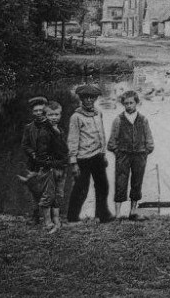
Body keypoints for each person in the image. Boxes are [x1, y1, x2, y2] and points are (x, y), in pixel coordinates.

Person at [66, 84, 113, 224]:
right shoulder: (76, 117)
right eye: (86, 98)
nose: (89, 101)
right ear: (81, 99)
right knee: (81, 188)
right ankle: (72, 217)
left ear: (96, 98)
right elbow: (73, 139)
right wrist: (73, 162)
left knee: (103, 186)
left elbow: (102, 135)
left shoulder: (98, 113)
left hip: (97, 156)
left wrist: (103, 153)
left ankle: (102, 214)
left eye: (92, 98)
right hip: (83, 158)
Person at [21, 96, 69, 233]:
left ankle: (54, 219)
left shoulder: (54, 128)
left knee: (54, 193)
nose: (38, 113)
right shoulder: (30, 128)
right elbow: (25, 145)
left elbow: (61, 148)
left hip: (51, 164)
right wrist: (33, 154)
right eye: (35, 110)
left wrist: (61, 162)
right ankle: (38, 217)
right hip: (38, 163)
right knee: (38, 191)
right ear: (32, 112)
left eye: (40, 110)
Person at [108, 91, 154, 221]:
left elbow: (149, 139)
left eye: (131, 103)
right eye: (126, 103)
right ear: (123, 104)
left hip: (139, 155)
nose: (129, 106)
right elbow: (112, 142)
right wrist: (118, 152)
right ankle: (117, 213)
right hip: (123, 155)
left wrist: (146, 151)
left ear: (136, 103)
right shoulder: (118, 120)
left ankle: (133, 211)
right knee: (120, 182)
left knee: (137, 182)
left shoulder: (143, 119)